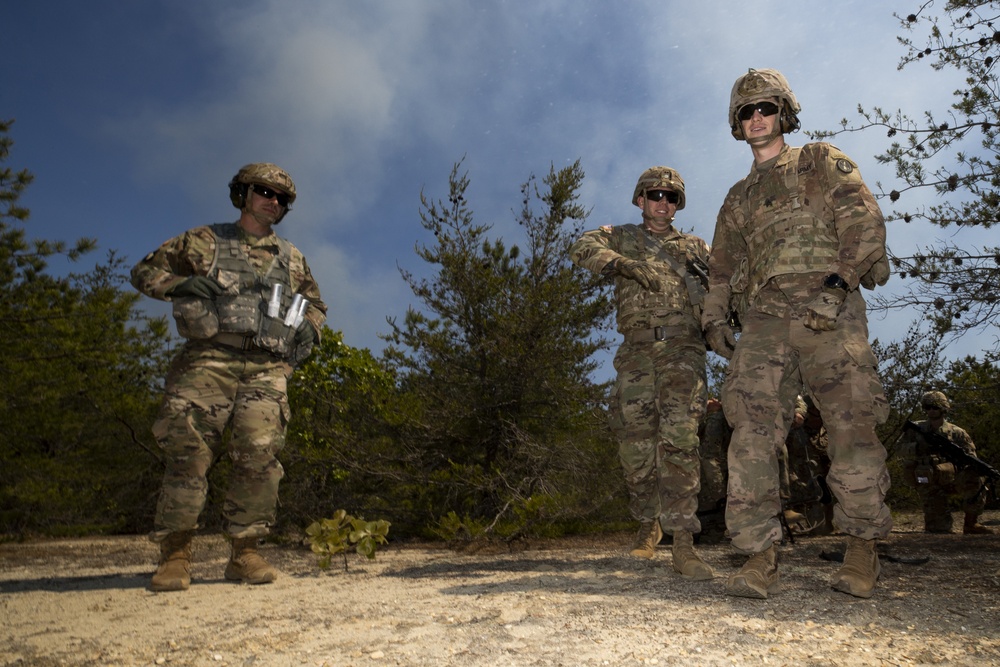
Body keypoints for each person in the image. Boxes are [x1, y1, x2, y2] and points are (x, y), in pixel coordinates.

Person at [701, 68, 892, 599]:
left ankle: (861, 548)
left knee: (850, 425)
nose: (756, 117)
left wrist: (838, 286)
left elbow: (863, 221)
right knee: (751, 432)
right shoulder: (737, 198)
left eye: (765, 107)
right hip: (764, 318)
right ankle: (759, 555)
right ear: (736, 125)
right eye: (745, 111)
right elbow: (721, 268)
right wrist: (714, 319)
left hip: (828, 304)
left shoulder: (820, 160)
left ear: (784, 112)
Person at [131, 162, 327, 592]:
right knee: (188, 457)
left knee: (259, 459)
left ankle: (245, 553)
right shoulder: (204, 241)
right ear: (243, 194)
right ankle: (176, 554)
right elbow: (144, 272)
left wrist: (310, 328)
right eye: (264, 191)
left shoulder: (291, 258)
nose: (272, 201)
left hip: (266, 367)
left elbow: (314, 304)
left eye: (281, 198)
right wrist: (179, 286)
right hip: (207, 362)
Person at [570, 166, 714, 580]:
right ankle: (647, 522)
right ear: (640, 199)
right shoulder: (621, 237)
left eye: (672, 198)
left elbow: (723, 287)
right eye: (656, 196)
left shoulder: (695, 247)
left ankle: (683, 541)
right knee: (635, 444)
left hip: (683, 349)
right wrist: (621, 265)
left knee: (680, 440)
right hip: (636, 351)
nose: (663, 204)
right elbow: (582, 246)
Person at [896, 391, 995, 535]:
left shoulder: (957, 433)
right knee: (939, 529)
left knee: (976, 478)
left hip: (951, 477)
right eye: (927, 407)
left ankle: (971, 523)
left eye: (935, 407)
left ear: (943, 408)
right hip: (927, 479)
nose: (931, 411)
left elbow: (971, 457)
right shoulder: (915, 429)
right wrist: (918, 448)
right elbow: (898, 449)